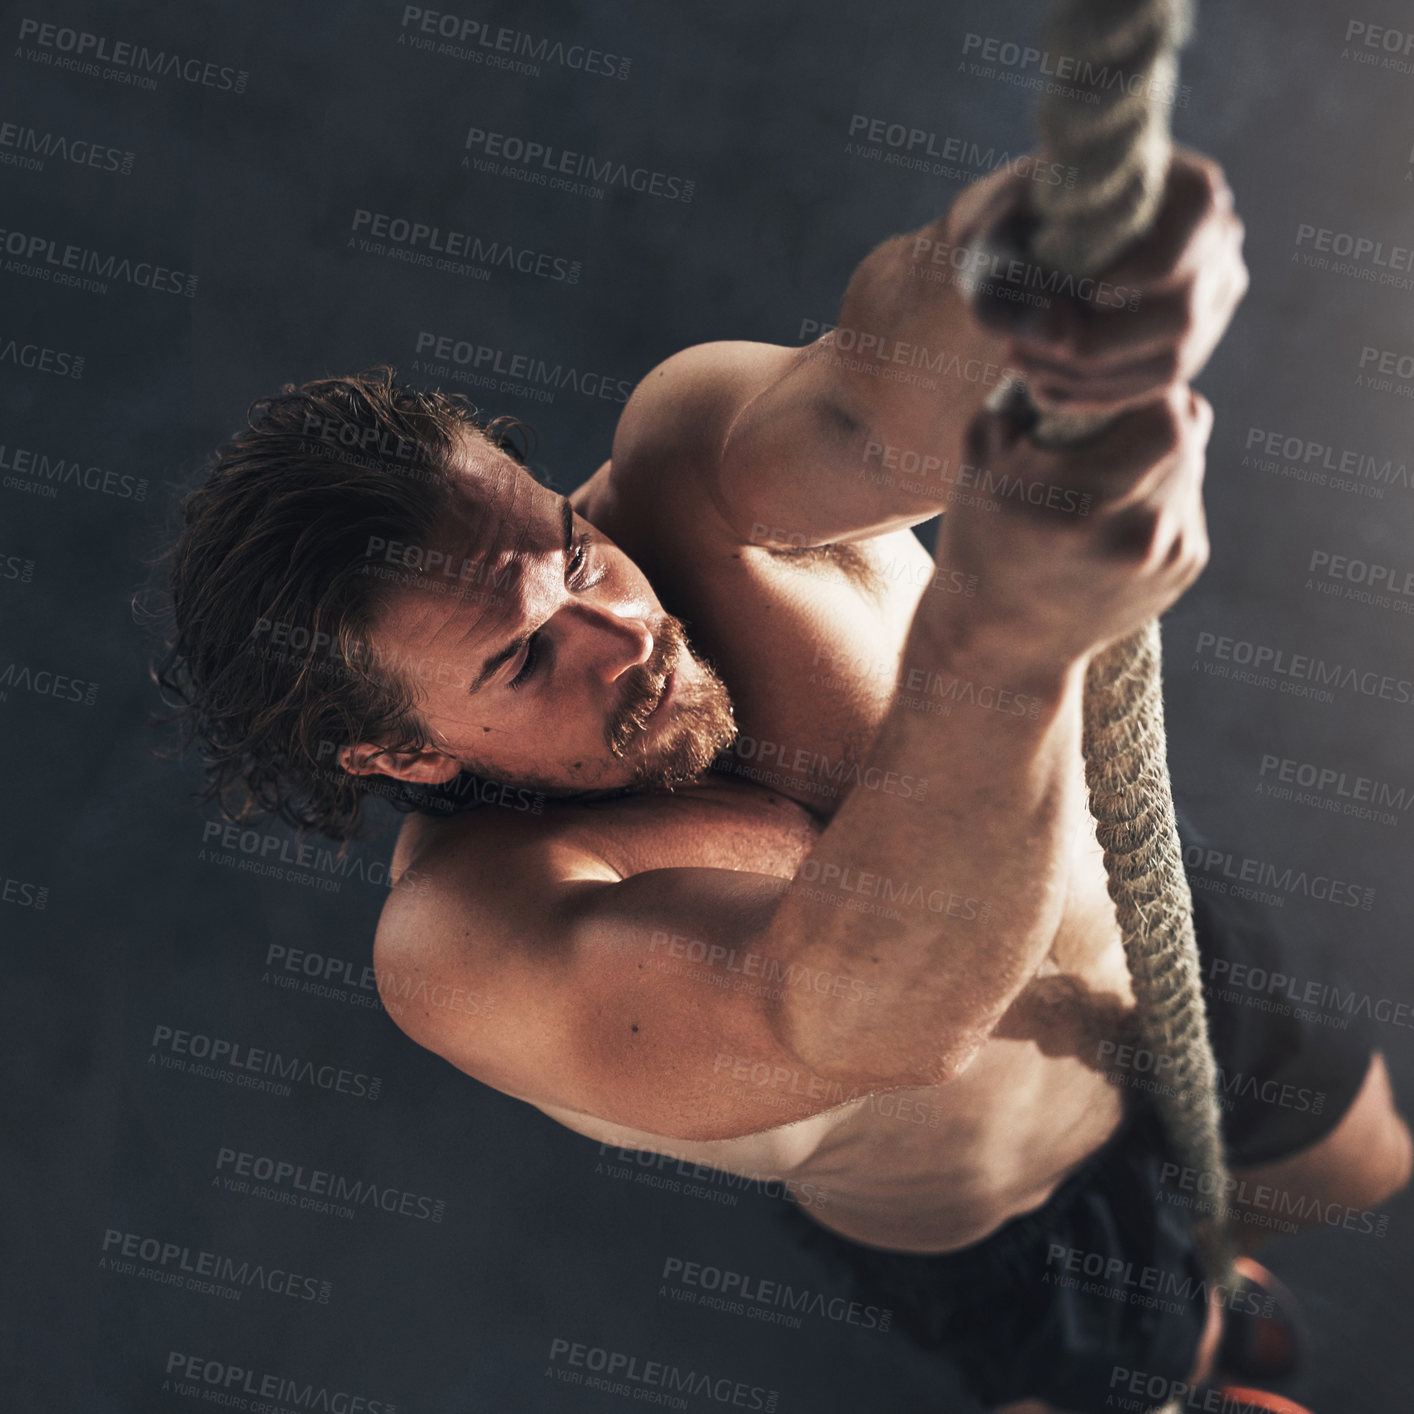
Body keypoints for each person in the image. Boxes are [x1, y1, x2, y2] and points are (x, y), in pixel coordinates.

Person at [157, 152, 1410, 1413]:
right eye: (523, 655)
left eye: (574, 554)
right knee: (1169, 1375)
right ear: (404, 752)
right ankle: (1184, 1328)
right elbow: (875, 1013)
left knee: (1364, 1170)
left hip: (1162, 943)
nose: (620, 630)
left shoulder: (689, 469)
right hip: (1007, 1226)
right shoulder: (466, 945)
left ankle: (1212, 1272)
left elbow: (880, 401)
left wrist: (1021, 266)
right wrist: (1008, 635)